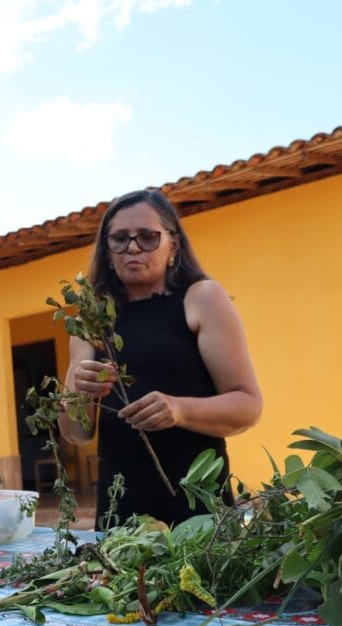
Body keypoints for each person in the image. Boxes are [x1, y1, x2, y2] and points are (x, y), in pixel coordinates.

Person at [59, 188, 262, 529]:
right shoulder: (91, 319)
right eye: (120, 239)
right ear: (107, 252)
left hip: (198, 509)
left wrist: (179, 409)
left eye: (148, 237)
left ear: (174, 245)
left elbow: (248, 405)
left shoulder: (201, 299)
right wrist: (79, 392)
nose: (133, 247)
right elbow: (76, 432)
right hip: (121, 512)